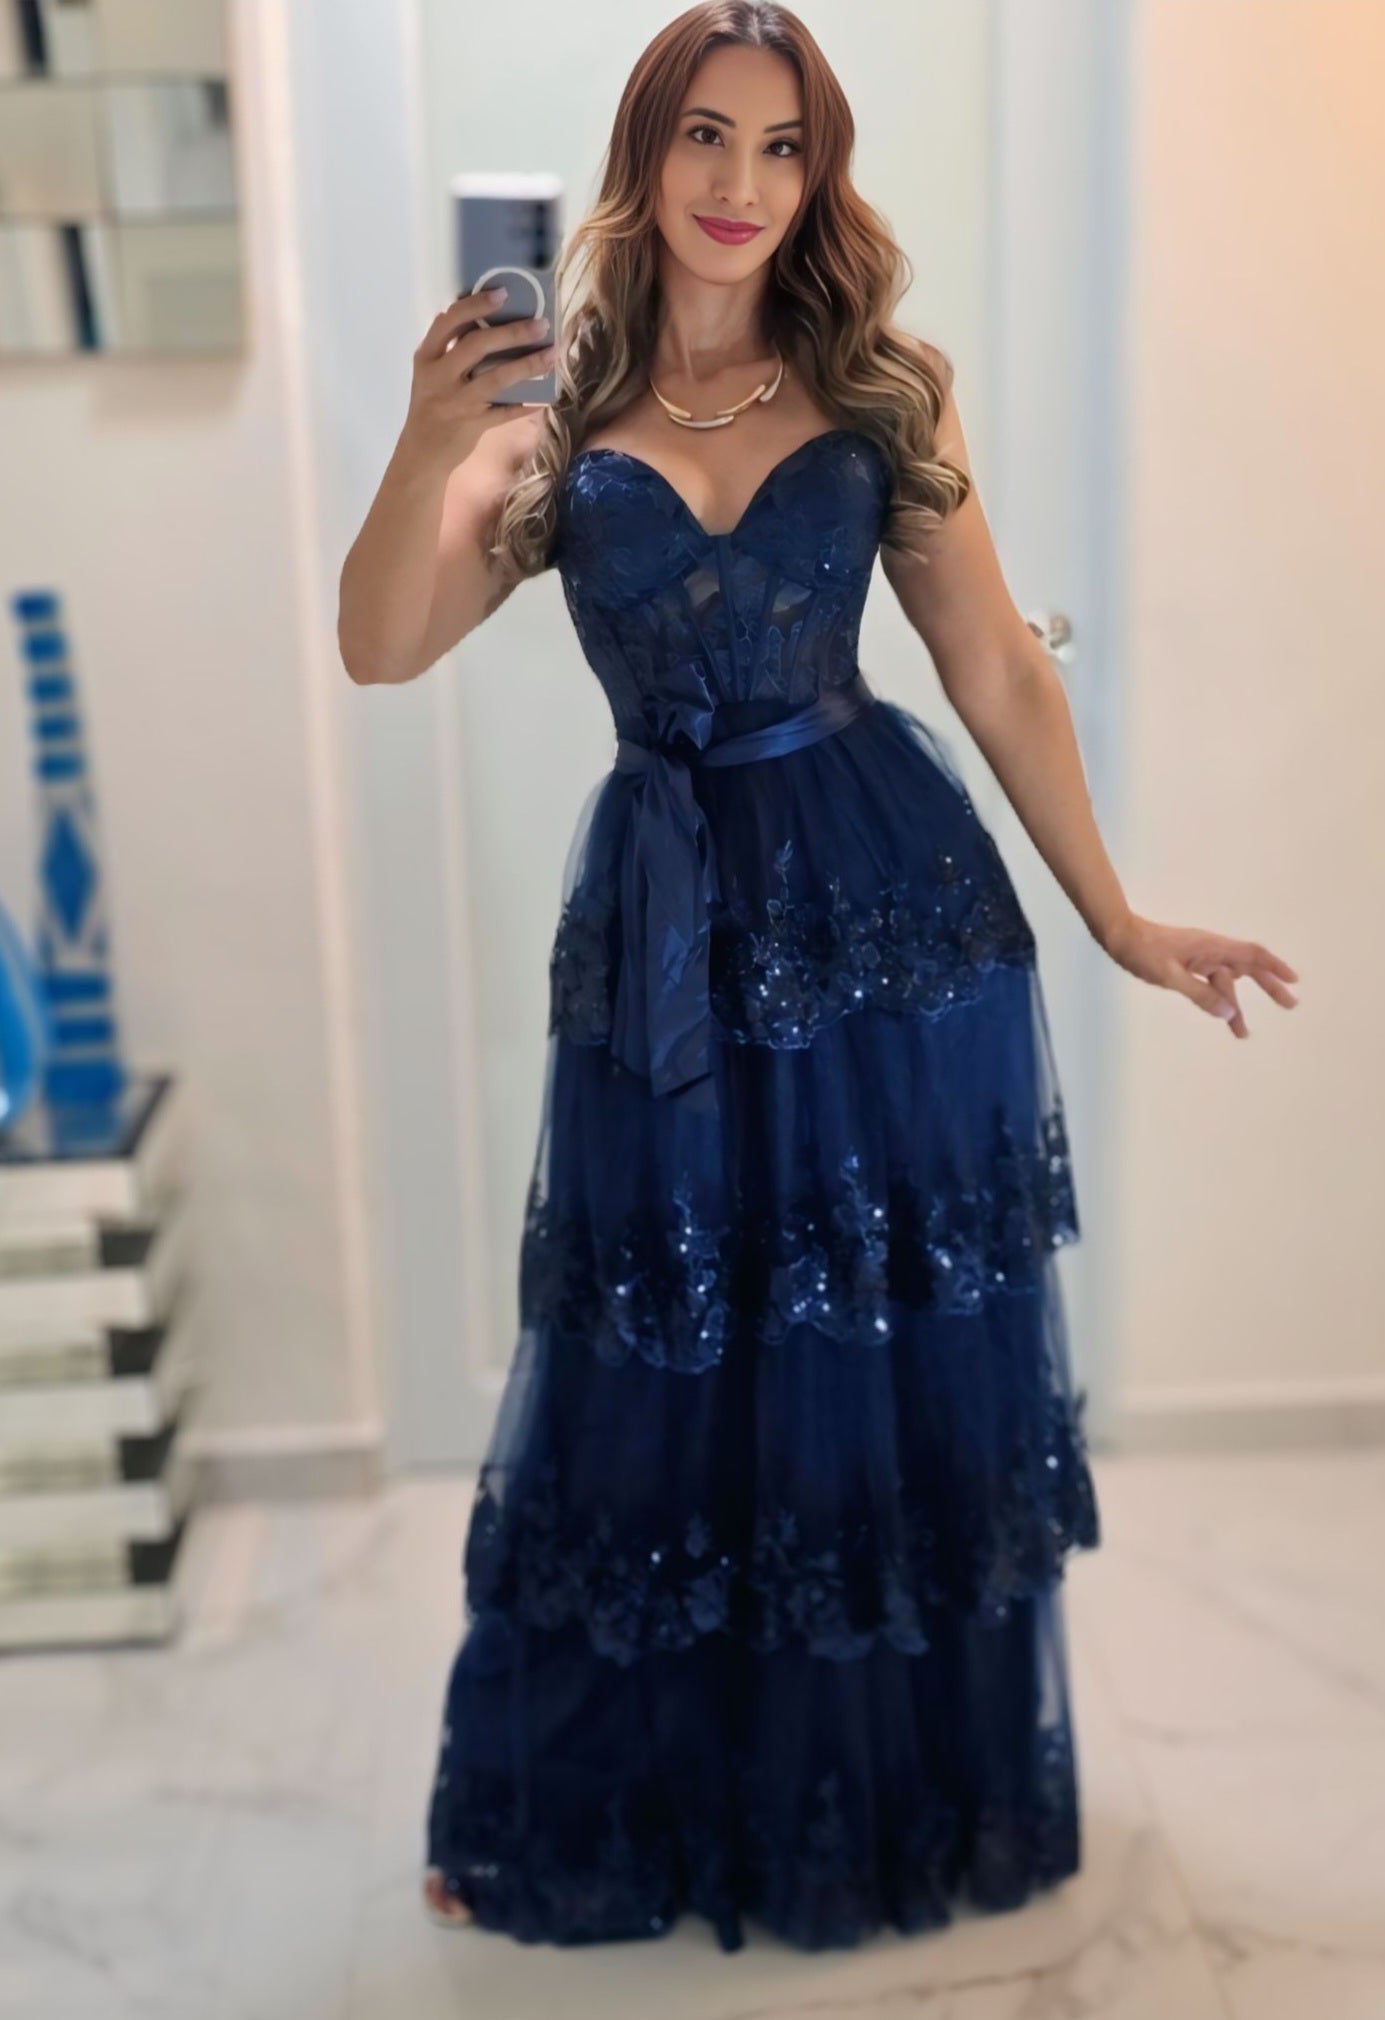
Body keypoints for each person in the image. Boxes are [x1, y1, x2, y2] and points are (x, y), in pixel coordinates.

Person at [338, 0, 1299, 1955]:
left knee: (864, 1364)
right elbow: (380, 643)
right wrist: (425, 439)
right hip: (662, 944)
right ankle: (594, 1793)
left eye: (783, 146)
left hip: (885, 929)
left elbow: (994, 665)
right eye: (706, 133)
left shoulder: (881, 391)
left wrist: (1116, 915)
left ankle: (872, 1799)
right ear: (646, 151)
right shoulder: (549, 417)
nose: (741, 182)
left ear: (819, 174)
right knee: (640, 1362)